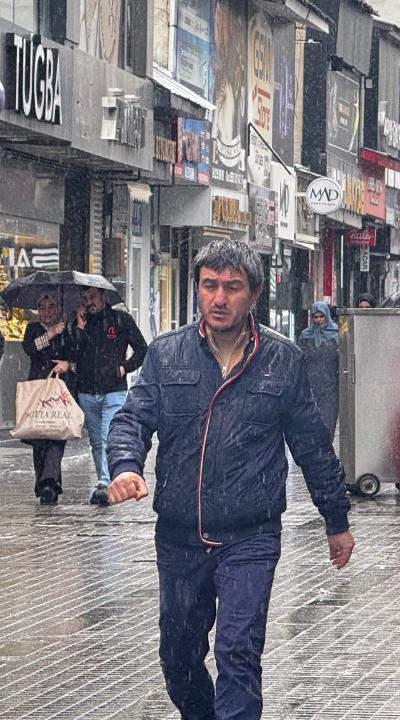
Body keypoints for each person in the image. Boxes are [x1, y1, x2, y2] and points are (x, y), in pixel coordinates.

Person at [105, 239, 353, 720]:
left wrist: (335, 520)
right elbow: (132, 420)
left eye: (232, 287)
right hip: (180, 535)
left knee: (238, 651)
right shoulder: (167, 354)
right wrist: (126, 466)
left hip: (251, 535)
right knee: (178, 658)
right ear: (197, 289)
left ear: (254, 294)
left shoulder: (282, 360)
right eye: (209, 286)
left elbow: (312, 444)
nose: (219, 298)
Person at [75, 285, 148, 505]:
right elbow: (73, 352)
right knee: (96, 440)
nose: (89, 302)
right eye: (85, 298)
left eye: (92, 296)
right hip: (87, 390)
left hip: (114, 390)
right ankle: (103, 481)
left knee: (109, 435)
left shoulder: (120, 320)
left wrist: (124, 367)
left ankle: (105, 483)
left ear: (103, 296)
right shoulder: (81, 323)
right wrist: (79, 328)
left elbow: (142, 349)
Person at [22, 294, 79, 504]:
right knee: (39, 437)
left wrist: (67, 364)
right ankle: (44, 484)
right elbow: (30, 348)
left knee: (56, 435)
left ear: (58, 309)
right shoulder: (33, 329)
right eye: (42, 307)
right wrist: (52, 333)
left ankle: (49, 482)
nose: (47, 311)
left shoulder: (68, 329)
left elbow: (77, 354)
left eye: (51, 306)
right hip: (38, 390)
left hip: (61, 389)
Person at [299, 301, 340, 441]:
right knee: (312, 427)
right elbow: (300, 360)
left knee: (328, 426)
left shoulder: (337, 334)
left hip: (330, 388)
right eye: (315, 317)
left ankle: (326, 452)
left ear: (327, 316)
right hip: (310, 387)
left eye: (321, 316)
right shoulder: (306, 336)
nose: (318, 320)